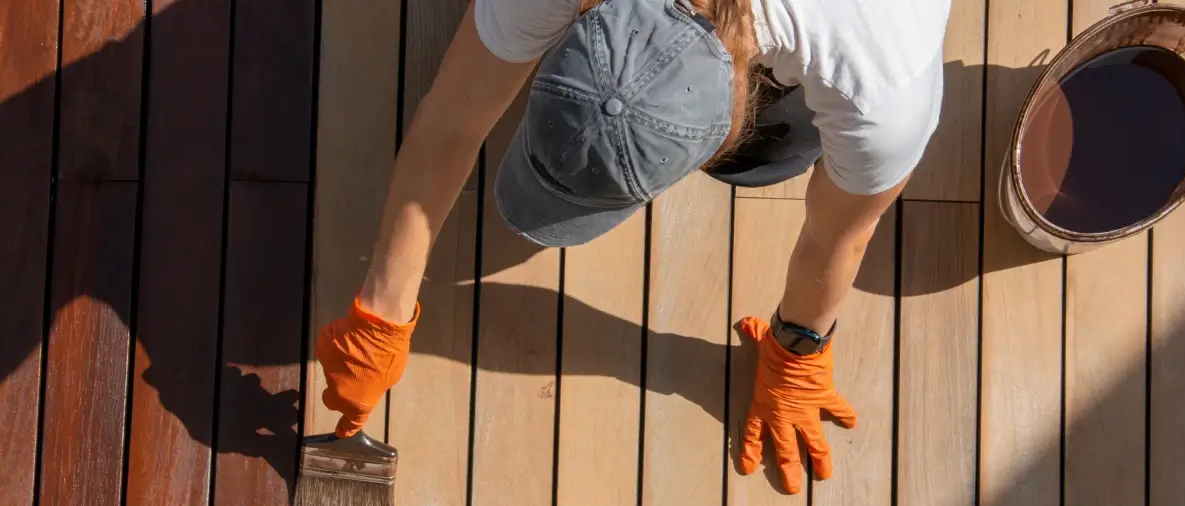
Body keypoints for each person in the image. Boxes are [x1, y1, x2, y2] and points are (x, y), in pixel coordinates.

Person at [315, 0, 951, 495]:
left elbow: (839, 233)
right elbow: (454, 118)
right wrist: (381, 311)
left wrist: (797, 353)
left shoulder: (878, 83)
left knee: (763, 159)